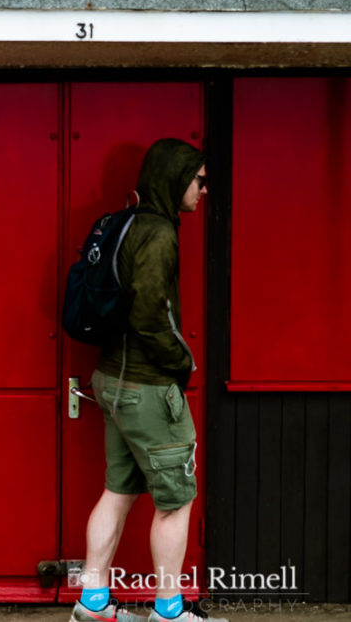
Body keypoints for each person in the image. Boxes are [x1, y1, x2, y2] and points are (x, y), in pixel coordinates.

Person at [71, 139, 225, 622]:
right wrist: (181, 365)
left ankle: (93, 604)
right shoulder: (158, 233)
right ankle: (170, 610)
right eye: (200, 180)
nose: (204, 190)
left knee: (117, 490)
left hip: (112, 382)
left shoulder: (124, 223)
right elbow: (152, 316)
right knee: (176, 502)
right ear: (175, 178)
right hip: (148, 388)